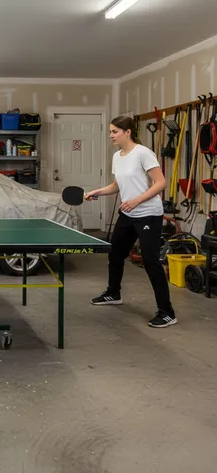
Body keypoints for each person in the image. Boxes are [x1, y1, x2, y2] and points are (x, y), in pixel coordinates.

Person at [85, 115, 177, 328]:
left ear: (128, 132)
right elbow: (117, 185)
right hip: (128, 214)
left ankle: (167, 312)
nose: (111, 135)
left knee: (150, 261)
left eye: (115, 131)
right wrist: (97, 192)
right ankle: (113, 293)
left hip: (148, 213)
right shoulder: (117, 156)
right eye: (110, 132)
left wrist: (136, 200)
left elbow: (161, 183)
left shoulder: (143, 153)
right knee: (116, 253)